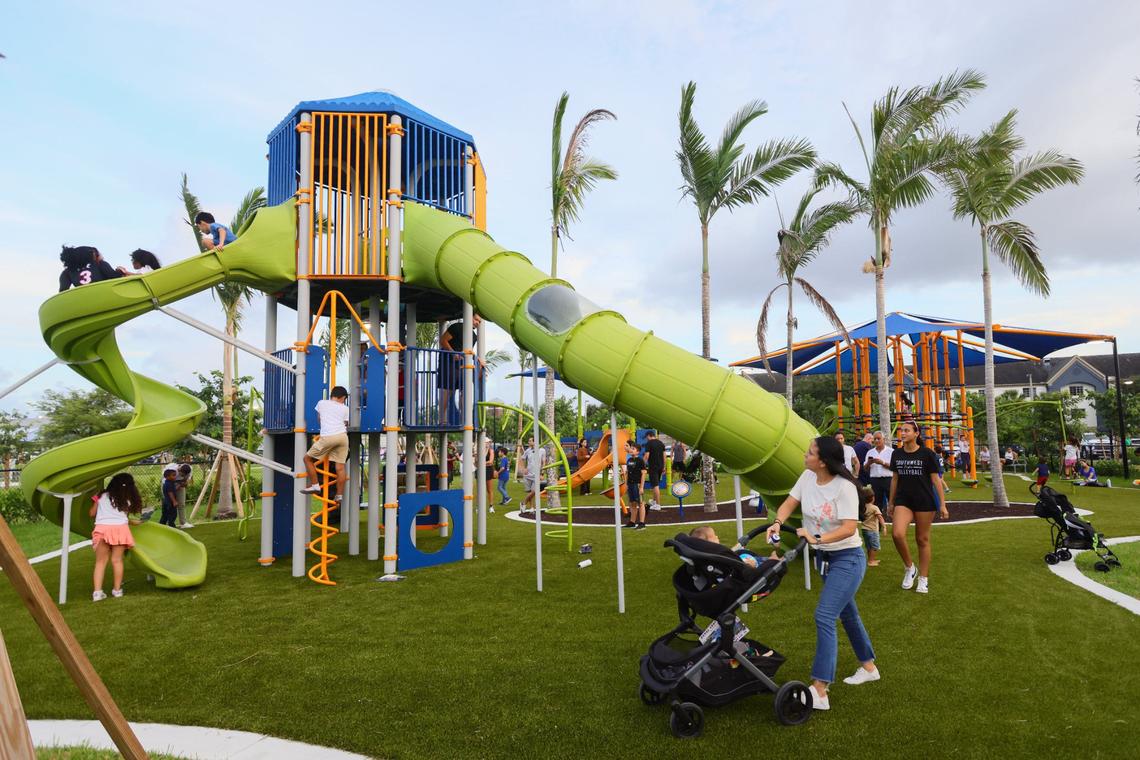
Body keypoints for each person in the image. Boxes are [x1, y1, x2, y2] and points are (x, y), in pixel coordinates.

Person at [765, 436, 879, 711]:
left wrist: (815, 537)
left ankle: (820, 689)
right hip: (825, 559)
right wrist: (777, 523)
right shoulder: (807, 477)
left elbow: (849, 528)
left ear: (824, 461)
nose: (805, 455)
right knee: (847, 613)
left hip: (848, 559)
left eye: (810, 452)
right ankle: (869, 667)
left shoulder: (845, 488)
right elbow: (789, 503)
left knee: (825, 615)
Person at [888, 420, 949, 595]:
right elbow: (895, 479)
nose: (903, 433)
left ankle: (923, 579)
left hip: (924, 501)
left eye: (906, 430)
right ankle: (910, 568)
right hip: (903, 500)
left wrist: (943, 505)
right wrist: (891, 502)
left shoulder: (927, 454)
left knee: (922, 540)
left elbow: (936, 480)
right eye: (901, 430)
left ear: (916, 434)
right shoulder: (897, 454)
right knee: (897, 533)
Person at [90, 473, 143, 600]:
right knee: (117, 560)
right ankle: (117, 591)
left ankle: (97, 593)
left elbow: (91, 513)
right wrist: (131, 521)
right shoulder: (128, 499)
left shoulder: (101, 496)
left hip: (102, 529)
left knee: (100, 562)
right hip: (120, 530)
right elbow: (120, 517)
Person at [301, 386, 351, 502]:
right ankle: (339, 495)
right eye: (344, 399)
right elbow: (345, 423)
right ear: (342, 397)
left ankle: (315, 485)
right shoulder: (345, 408)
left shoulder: (322, 403)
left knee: (307, 459)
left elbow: (319, 418)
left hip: (329, 436)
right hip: (343, 437)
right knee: (340, 467)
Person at [438, 314, 484, 425]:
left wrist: (478, 360)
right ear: (469, 317)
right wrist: (453, 353)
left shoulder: (473, 336)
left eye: (479, 322)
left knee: (465, 390)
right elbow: (443, 341)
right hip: (448, 363)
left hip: (463, 364)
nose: (477, 323)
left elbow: (468, 351)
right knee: (447, 391)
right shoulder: (457, 327)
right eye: (475, 319)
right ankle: (442, 420)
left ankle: (465, 419)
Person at [863, 431, 894, 514]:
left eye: (878, 438)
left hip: (888, 479)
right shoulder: (870, 452)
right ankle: (878, 523)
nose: (876, 441)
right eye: (875, 439)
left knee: (892, 500)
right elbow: (865, 469)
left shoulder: (891, 451)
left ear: (883, 439)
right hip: (875, 480)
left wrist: (882, 463)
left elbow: (894, 467)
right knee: (876, 502)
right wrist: (869, 463)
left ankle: (894, 520)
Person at [622, 441, 647, 530]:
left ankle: (642, 523)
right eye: (631, 448)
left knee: (640, 503)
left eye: (633, 449)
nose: (631, 450)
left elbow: (643, 473)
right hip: (630, 484)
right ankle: (632, 522)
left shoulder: (640, 460)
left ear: (638, 452)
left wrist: (641, 487)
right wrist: (626, 484)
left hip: (637, 484)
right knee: (632, 503)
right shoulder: (629, 460)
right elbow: (627, 473)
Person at [520, 437, 547, 512]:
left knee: (534, 491)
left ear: (535, 442)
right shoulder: (528, 450)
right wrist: (523, 469)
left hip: (537, 475)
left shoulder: (542, 450)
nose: (528, 442)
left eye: (530, 441)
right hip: (528, 475)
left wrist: (542, 473)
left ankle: (523, 502)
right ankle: (532, 508)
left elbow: (543, 462)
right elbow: (522, 459)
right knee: (530, 492)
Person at [860, 491, 886, 567]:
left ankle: (871, 559)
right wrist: (884, 527)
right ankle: (871, 561)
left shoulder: (863, 507)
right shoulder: (874, 507)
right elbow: (880, 517)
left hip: (864, 529)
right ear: (873, 498)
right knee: (874, 547)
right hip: (872, 530)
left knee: (869, 546)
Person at [643, 430, 666, 510]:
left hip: (653, 467)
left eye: (646, 437)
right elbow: (664, 456)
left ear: (649, 436)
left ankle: (658, 505)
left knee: (655, 485)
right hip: (660, 466)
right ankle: (654, 501)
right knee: (654, 484)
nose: (646, 439)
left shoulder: (649, 443)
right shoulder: (661, 443)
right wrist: (664, 466)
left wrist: (642, 464)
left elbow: (646, 456)